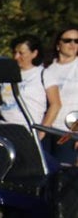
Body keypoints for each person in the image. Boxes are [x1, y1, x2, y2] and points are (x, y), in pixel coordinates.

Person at [42, 27, 78, 163]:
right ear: (58, 44)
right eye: (68, 40)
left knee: (63, 173)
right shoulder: (46, 67)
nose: (73, 44)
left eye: (77, 41)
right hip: (45, 128)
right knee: (43, 171)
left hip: (69, 132)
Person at [0, 35, 47, 128]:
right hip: (2, 127)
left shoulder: (43, 74)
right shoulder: (8, 74)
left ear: (34, 53)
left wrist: (42, 131)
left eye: (21, 53)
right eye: (14, 52)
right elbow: (1, 102)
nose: (16, 57)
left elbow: (55, 105)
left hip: (26, 129)